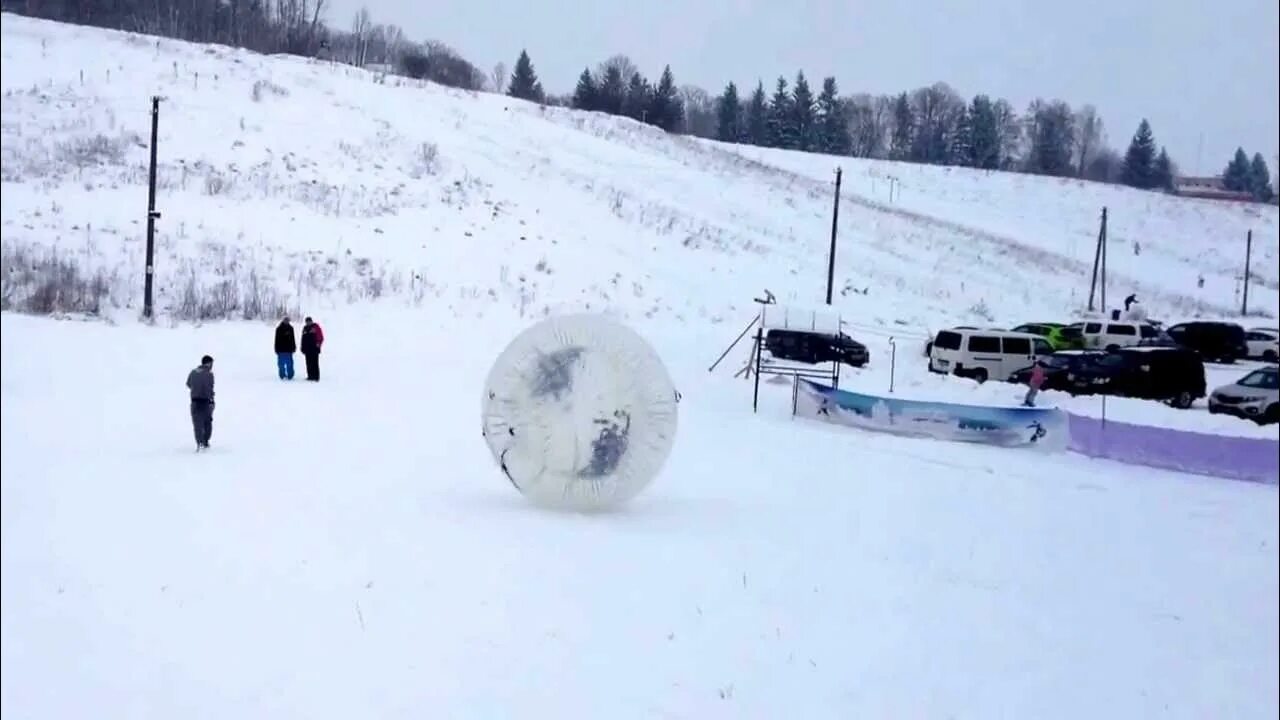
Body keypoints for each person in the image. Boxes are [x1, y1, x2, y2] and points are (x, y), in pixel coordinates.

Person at [186, 355, 215, 450]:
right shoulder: (209, 374)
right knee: (207, 423)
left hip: (194, 401)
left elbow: (189, 384)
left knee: (197, 424)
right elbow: (210, 388)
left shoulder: (193, 372)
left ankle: (199, 442)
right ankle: (205, 441)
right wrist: (211, 400)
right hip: (206, 402)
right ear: (209, 363)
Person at [300, 316, 325, 382]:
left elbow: (321, 337)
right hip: (307, 349)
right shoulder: (305, 328)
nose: (308, 323)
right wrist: (302, 347)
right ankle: (310, 376)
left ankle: (316, 377)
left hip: (314, 348)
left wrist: (318, 343)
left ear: (311, 321)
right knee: (308, 363)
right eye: (307, 321)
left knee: (315, 363)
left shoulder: (316, 327)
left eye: (309, 321)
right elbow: (303, 339)